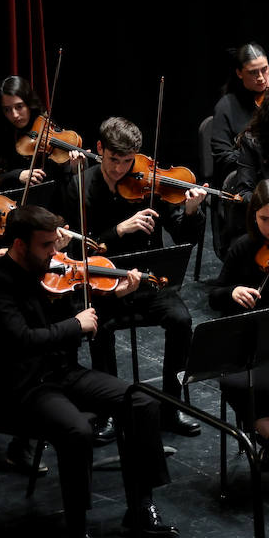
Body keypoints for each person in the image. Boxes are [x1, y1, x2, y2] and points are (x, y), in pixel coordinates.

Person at [0, 205, 177, 538]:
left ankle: (139, 508)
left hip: (62, 373)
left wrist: (114, 296)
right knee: (76, 431)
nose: (53, 254)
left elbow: (85, 317)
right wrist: (76, 324)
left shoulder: (51, 271)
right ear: (19, 244)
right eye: (45, 246)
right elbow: (22, 340)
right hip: (24, 386)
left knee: (139, 401)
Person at [64, 117, 207, 436]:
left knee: (182, 321)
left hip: (148, 280)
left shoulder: (148, 182)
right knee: (97, 326)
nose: (119, 169)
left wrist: (193, 211)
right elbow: (78, 248)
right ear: (99, 149)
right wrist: (118, 230)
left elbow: (184, 236)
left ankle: (173, 407)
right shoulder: (80, 185)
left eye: (127, 161)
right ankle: (109, 412)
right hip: (104, 284)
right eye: (114, 160)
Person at [207, 178, 269, 487]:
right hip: (246, 342)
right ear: (254, 216)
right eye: (265, 219)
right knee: (236, 383)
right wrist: (233, 291)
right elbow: (215, 294)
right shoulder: (242, 247)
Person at [210, 43, 269, 183]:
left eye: (264, 69)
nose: (261, 78)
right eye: (253, 72)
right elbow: (223, 157)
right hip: (244, 179)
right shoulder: (226, 106)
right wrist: (257, 157)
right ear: (239, 73)